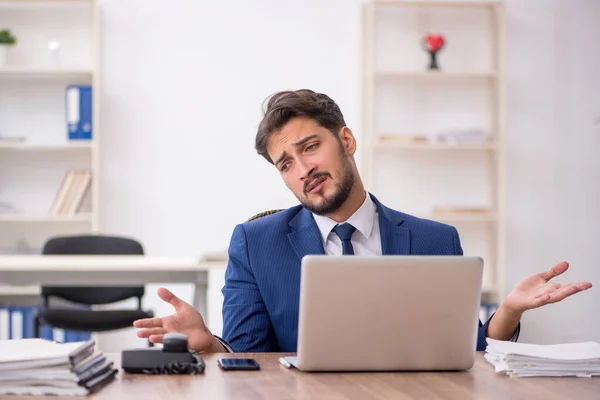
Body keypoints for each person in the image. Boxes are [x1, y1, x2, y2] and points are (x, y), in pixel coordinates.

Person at [134, 89, 592, 353]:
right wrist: (210, 346)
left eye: (310, 147)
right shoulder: (256, 243)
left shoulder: (435, 240)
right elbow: (248, 361)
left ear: (346, 140)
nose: (303, 169)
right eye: (285, 164)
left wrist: (507, 314)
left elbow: (467, 352)